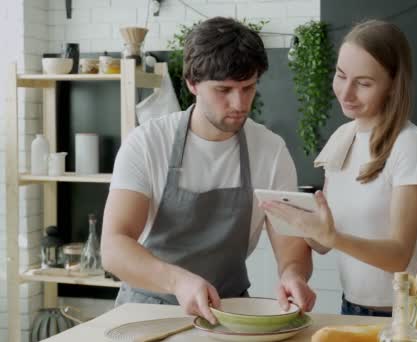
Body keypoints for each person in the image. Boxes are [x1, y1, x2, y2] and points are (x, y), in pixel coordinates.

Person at [101, 17, 316, 324]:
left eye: (248, 87)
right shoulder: (147, 143)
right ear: (192, 83)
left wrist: (293, 275)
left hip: (229, 313)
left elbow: (291, 245)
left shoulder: (270, 151)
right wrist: (178, 281)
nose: (239, 103)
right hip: (147, 312)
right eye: (223, 89)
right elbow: (114, 247)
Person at [260, 19, 417, 316]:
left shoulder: (411, 145)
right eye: (341, 76)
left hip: (405, 316)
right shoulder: (343, 138)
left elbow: (399, 255)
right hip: (350, 309)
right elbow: (323, 244)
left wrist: (333, 238)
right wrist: (298, 222)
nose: (345, 93)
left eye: (364, 83)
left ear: (393, 86)